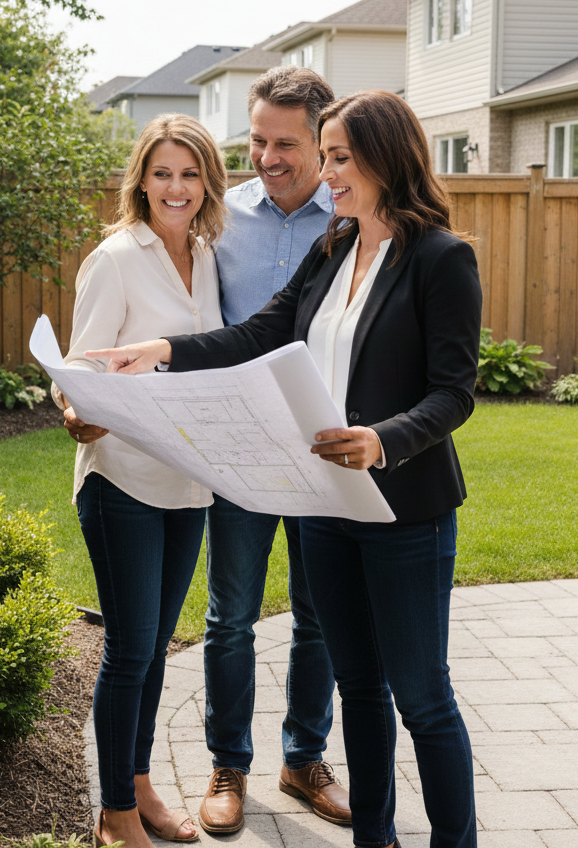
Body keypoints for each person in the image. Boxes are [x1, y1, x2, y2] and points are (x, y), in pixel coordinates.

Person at [87, 90, 483, 848]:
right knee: (361, 690)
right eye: (327, 156)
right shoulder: (335, 244)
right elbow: (265, 330)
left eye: (339, 158)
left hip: (405, 510)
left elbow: (454, 392)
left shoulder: (440, 257)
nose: (326, 174)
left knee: (422, 698)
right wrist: (163, 352)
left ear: (383, 159)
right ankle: (377, 837)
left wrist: (383, 440)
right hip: (325, 505)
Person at [51, 114, 228, 848]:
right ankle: (114, 814)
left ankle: (141, 783)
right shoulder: (116, 257)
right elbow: (79, 369)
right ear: (141, 180)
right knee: (129, 647)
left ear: (208, 182)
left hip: (187, 480)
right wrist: (74, 409)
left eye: (189, 174)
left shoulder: (211, 256)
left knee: (157, 645)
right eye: (162, 173)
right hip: (122, 478)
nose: (176, 187)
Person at [197, 66, 349, 833]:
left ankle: (304, 758)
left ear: (324, 145)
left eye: (285, 143)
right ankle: (229, 763)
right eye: (257, 139)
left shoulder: (354, 220)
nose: (266, 156)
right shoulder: (219, 217)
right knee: (230, 617)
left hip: (326, 452)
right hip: (239, 453)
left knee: (319, 617)